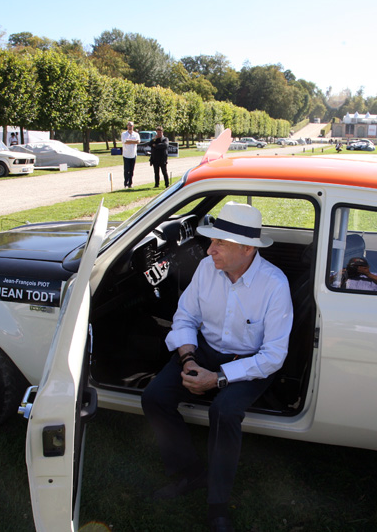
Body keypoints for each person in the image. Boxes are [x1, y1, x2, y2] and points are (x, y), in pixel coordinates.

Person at [142, 202, 293, 532]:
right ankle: (189, 473)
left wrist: (219, 379)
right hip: (203, 354)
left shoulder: (274, 285)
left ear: (245, 248)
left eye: (219, 243)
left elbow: (273, 356)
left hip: (249, 364)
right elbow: (185, 317)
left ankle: (218, 505)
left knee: (224, 412)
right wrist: (189, 360)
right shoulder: (206, 269)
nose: (209, 249)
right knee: (153, 397)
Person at [121, 121, 140, 188]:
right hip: (126, 154)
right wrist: (133, 141)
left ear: (133, 126)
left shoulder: (136, 134)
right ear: (127, 126)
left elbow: (138, 141)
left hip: (133, 154)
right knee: (126, 170)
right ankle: (125, 183)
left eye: (131, 125)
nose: (130, 127)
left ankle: (130, 183)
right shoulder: (124, 134)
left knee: (131, 170)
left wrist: (129, 141)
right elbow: (125, 142)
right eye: (129, 125)